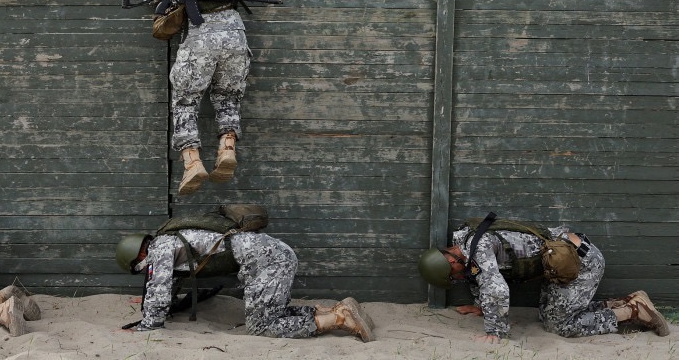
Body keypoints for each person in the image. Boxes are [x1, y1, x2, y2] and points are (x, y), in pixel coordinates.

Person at [417, 216, 671, 342]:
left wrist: (495, 332)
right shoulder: (466, 241)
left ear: (452, 261)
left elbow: (496, 289)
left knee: (561, 326)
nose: (459, 278)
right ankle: (625, 302)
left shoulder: (478, 247)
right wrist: (481, 307)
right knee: (548, 316)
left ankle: (634, 311)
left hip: (580, 263)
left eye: (454, 275)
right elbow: (479, 277)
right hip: (559, 264)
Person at [136, 0, 251, 195]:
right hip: (235, 34)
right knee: (228, 96)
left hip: (199, 39)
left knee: (185, 101)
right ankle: (227, 148)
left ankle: (192, 162)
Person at [115, 229, 375, 340]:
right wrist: (150, 301)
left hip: (269, 262)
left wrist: (146, 326)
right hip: (272, 256)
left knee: (261, 327)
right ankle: (331, 310)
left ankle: (339, 319)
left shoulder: (159, 248)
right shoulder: (170, 240)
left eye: (140, 267)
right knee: (272, 315)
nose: (145, 271)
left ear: (139, 255)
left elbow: (159, 289)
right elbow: (167, 286)